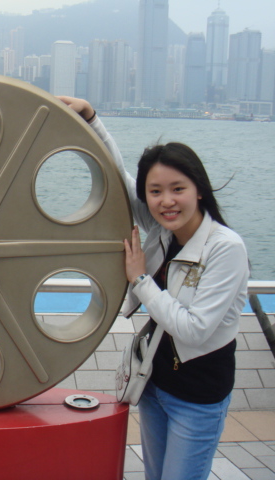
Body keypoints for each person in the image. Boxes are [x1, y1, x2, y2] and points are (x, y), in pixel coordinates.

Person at [60, 97, 249, 480]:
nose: (167, 201)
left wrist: (141, 281)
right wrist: (92, 119)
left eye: (178, 189)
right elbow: (119, 179)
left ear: (199, 189)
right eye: (156, 191)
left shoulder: (226, 248)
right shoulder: (163, 231)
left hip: (198, 398)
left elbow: (194, 329)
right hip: (154, 385)